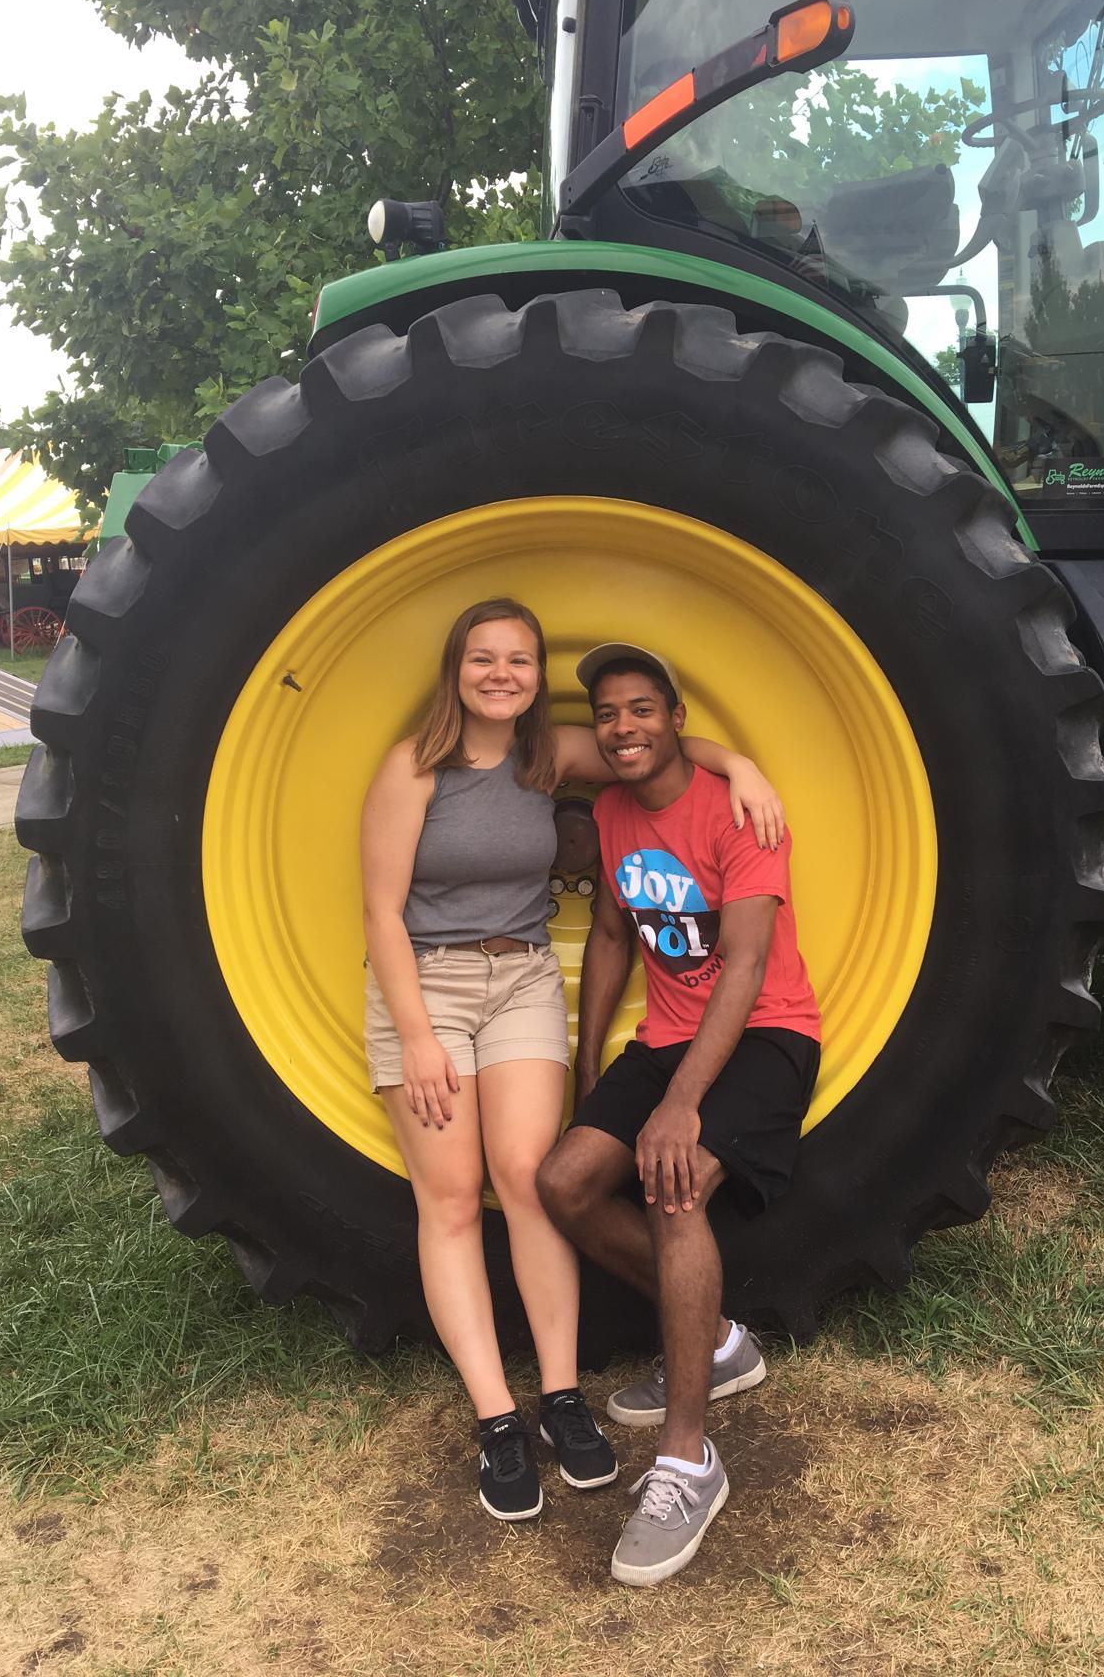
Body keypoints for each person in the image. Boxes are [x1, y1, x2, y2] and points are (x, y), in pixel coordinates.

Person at [359, 600, 785, 1523]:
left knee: (527, 1176)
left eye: (519, 659)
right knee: (449, 1197)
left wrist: (742, 763)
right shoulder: (412, 767)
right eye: (484, 659)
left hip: (519, 983)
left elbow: (663, 748)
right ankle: (497, 1418)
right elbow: (382, 913)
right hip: (424, 990)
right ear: (456, 668)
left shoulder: (547, 755)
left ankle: (561, 1396)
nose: (503, 674)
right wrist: (417, 1034)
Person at [536, 642, 821, 1585]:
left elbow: (742, 968)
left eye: (643, 710)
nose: (624, 727)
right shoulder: (614, 813)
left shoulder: (742, 810)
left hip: (765, 1034)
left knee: (672, 1182)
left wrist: (683, 1107)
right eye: (609, 713)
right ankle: (716, 1341)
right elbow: (615, 931)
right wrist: (591, 1075)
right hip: (663, 1040)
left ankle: (690, 1459)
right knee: (562, 1183)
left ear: (677, 719)